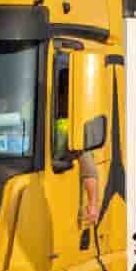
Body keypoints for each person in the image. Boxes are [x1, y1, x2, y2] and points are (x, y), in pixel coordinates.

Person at [53, 69, 100, 228]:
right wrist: (93, 204)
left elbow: (88, 169)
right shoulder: (71, 126)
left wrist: (92, 204)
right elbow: (89, 170)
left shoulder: (70, 126)